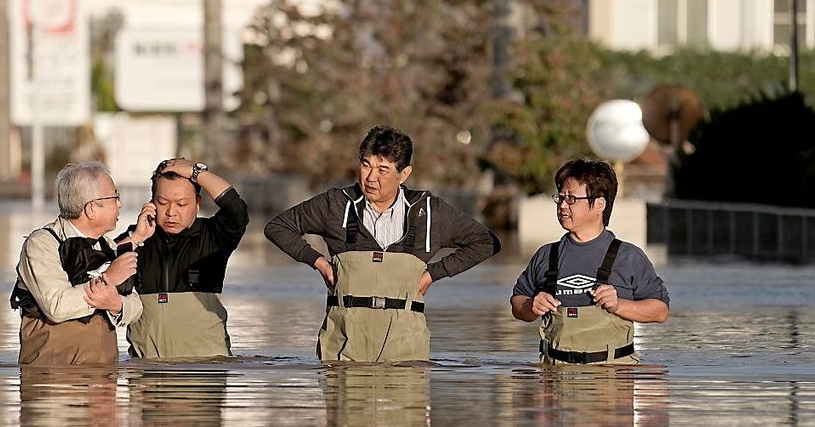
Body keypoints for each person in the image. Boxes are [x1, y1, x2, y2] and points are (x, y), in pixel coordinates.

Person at [264, 125, 501, 362]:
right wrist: (319, 263)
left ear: (404, 174)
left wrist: (434, 273)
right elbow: (278, 227)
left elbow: (486, 242)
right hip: (343, 343)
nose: (370, 177)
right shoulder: (336, 204)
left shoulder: (428, 211)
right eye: (366, 164)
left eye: (382, 169)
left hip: (406, 347)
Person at [510, 158, 669, 364]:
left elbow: (660, 311)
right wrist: (532, 306)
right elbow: (517, 304)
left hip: (614, 378)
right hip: (554, 379)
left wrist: (618, 305)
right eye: (560, 198)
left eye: (572, 199)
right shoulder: (546, 255)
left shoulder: (629, 256)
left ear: (600, 204)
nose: (563, 206)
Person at [10, 161, 154, 365]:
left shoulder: (108, 246)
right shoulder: (42, 244)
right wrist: (108, 279)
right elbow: (56, 306)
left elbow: (136, 305)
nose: (120, 204)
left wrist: (116, 304)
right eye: (115, 197)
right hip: (51, 383)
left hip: (104, 381)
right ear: (91, 209)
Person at [120, 158, 249, 358]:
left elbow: (237, 210)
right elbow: (102, 266)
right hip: (147, 376)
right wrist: (136, 238)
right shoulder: (137, 239)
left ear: (197, 204)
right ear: (151, 202)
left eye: (181, 204)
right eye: (162, 203)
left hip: (202, 373)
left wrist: (196, 173)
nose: (171, 212)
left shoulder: (213, 236)